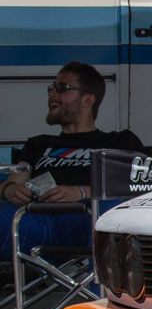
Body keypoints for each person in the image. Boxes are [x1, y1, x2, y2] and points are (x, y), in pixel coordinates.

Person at [0, 61, 144, 258]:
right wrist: (11, 190)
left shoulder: (119, 142)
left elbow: (142, 185)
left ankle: (101, 288)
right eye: (52, 88)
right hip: (31, 223)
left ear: (87, 100)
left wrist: (82, 192)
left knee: (111, 212)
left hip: (85, 221)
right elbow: (15, 180)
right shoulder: (38, 145)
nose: (52, 94)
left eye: (61, 88)